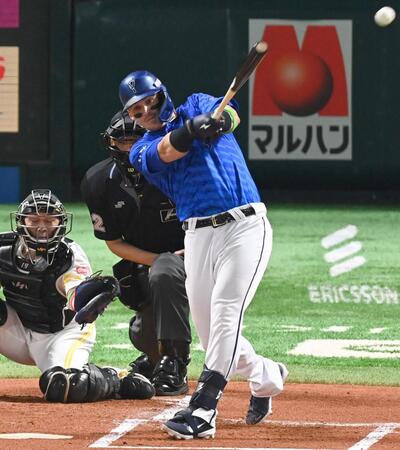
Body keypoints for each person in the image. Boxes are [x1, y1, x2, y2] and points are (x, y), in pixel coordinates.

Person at [118, 70, 288, 439]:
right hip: (197, 235)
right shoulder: (140, 149)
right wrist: (191, 131)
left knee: (228, 312)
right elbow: (166, 151)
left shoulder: (197, 102)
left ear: (163, 94)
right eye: (135, 110)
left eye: (149, 100)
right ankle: (267, 376)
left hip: (244, 225)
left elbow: (232, 116)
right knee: (214, 340)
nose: (145, 111)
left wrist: (216, 120)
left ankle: (204, 408)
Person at [0, 189, 154, 403]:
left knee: (65, 386)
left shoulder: (69, 255)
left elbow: (76, 298)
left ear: (61, 223)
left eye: (49, 220)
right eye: (34, 220)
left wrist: (90, 299)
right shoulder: (3, 248)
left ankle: (112, 379)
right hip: (15, 332)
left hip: (62, 333)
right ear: (21, 222)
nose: (42, 227)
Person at [80, 111, 191, 396]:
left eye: (137, 138)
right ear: (110, 143)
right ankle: (156, 359)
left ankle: (175, 364)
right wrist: (158, 261)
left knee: (167, 271)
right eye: (122, 140)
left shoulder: (180, 168)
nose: (130, 148)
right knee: (142, 333)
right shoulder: (97, 181)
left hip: (198, 252)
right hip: (150, 262)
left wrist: (187, 253)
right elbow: (114, 242)